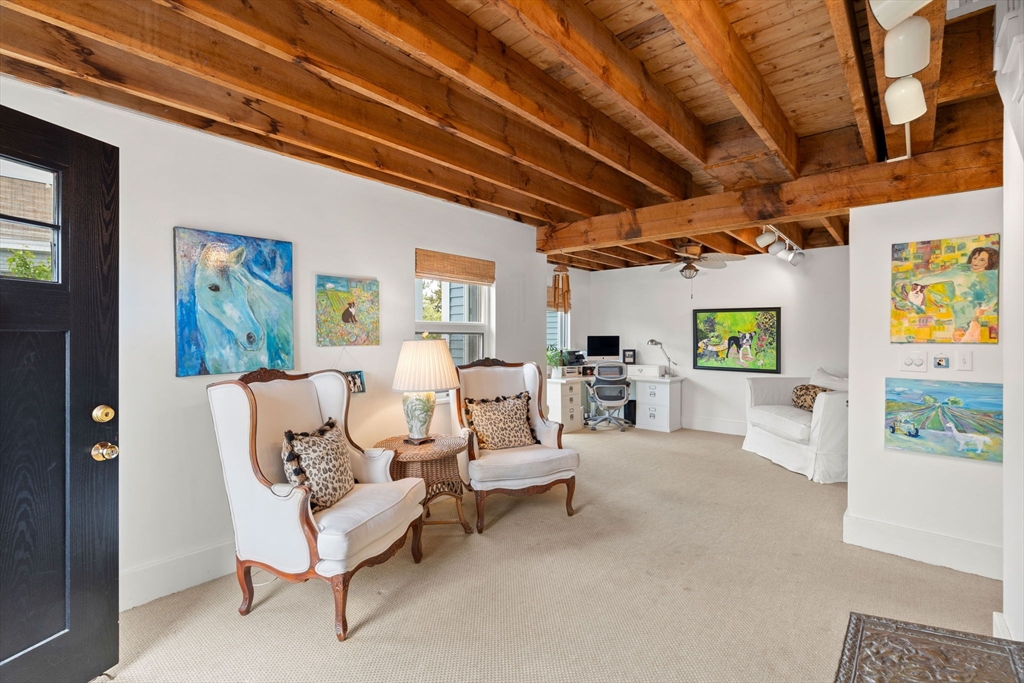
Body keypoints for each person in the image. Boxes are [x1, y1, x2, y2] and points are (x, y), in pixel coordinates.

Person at [897, 245, 999, 341]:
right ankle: (910, 300)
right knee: (934, 290)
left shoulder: (991, 277)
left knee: (963, 305)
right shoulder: (962, 270)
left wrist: (982, 309)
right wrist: (917, 282)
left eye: (982, 260)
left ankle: (960, 329)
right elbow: (940, 276)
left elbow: (993, 296)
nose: (976, 262)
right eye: (975, 258)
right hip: (954, 295)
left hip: (974, 302)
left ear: (989, 262)